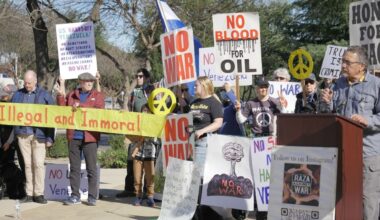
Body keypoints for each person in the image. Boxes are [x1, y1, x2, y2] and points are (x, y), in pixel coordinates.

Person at [320, 46, 380, 220]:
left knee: (367, 201)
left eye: (347, 62)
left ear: (361, 66)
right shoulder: (338, 84)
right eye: (342, 61)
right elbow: (332, 114)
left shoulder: (376, 85)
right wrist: (327, 102)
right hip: (341, 150)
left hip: (367, 153)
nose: (343, 65)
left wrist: (368, 120)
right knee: (343, 198)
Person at [56, 72, 105, 206]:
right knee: (74, 168)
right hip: (74, 136)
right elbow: (62, 109)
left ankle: (92, 196)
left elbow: (99, 110)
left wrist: (81, 107)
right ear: (80, 82)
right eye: (87, 81)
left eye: (91, 81)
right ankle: (75, 195)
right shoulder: (72, 94)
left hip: (90, 136)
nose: (90, 83)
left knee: (91, 168)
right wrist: (60, 93)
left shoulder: (97, 95)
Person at [11, 70, 55, 204]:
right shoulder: (18, 95)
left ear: (35, 81)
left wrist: (50, 138)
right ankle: (29, 193)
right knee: (27, 165)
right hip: (22, 135)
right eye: (25, 82)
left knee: (38, 164)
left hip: (39, 136)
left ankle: (39, 193)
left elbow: (52, 117)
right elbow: (11, 113)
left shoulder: (45, 95)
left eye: (29, 83)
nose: (27, 85)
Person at [117, 68, 155, 198]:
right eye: (136, 76)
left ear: (147, 78)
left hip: (150, 133)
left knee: (148, 161)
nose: (138, 78)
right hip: (136, 132)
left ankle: (146, 191)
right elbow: (131, 110)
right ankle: (130, 189)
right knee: (131, 159)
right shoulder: (134, 93)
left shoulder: (154, 91)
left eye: (140, 76)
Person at [190, 76, 224, 219]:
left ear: (204, 86)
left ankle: (203, 211)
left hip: (205, 143)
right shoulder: (194, 102)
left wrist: (202, 131)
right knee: (192, 176)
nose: (194, 87)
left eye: (196, 85)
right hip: (190, 144)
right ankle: (194, 209)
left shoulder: (213, 102)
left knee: (201, 176)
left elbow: (218, 123)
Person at [132, 104, 158, 207]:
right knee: (137, 177)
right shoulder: (136, 122)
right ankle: (138, 196)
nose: (145, 112)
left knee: (150, 176)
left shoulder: (155, 122)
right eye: (143, 110)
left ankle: (150, 197)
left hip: (149, 152)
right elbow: (131, 136)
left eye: (147, 110)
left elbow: (156, 138)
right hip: (137, 152)